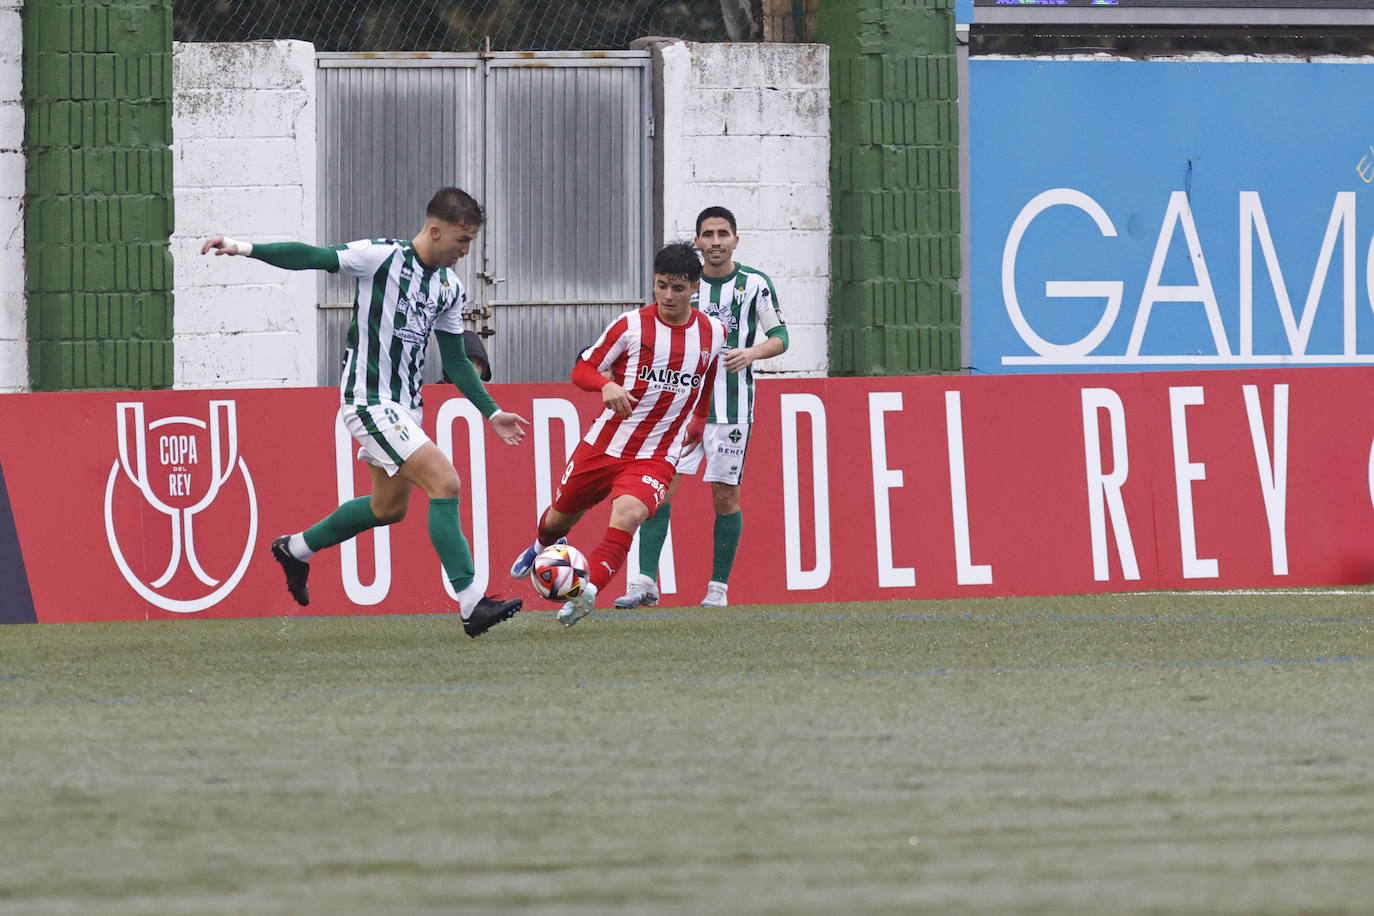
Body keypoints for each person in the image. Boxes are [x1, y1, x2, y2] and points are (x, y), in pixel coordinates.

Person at [200, 187, 529, 637]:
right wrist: (243, 247)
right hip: (368, 400)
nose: (466, 251)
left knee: (387, 508)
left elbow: (453, 360)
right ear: (435, 230)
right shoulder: (380, 257)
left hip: (407, 409)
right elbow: (312, 256)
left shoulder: (450, 288)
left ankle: (295, 549)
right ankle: (472, 602)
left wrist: (491, 413)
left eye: (470, 242)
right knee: (446, 481)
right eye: (461, 240)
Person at [508, 241, 727, 626]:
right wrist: (604, 386)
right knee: (558, 520)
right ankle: (542, 545)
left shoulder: (713, 332)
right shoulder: (630, 325)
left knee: (628, 514)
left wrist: (699, 418)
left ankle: (585, 593)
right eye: (661, 286)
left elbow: (707, 376)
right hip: (604, 445)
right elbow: (582, 370)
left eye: (678, 288)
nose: (668, 296)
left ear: (695, 288)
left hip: (658, 453)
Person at [615, 206, 788, 609]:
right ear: (697, 241)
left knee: (725, 498)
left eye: (722, 233)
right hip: (677, 411)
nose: (715, 241)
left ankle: (718, 589)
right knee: (657, 492)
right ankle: (643, 582)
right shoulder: (682, 286)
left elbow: (780, 336)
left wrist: (751, 352)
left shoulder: (754, 285)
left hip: (730, 411)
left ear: (735, 239)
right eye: (707, 234)